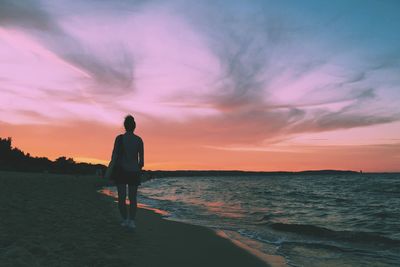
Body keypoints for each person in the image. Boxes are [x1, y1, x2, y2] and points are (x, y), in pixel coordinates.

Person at [111, 115, 144, 229]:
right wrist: (137, 168)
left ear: (124, 126)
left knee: (121, 197)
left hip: (121, 171)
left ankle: (125, 220)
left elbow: (114, 156)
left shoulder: (119, 139)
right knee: (133, 198)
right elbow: (142, 162)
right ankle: (132, 221)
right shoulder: (139, 140)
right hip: (134, 171)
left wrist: (109, 170)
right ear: (134, 126)